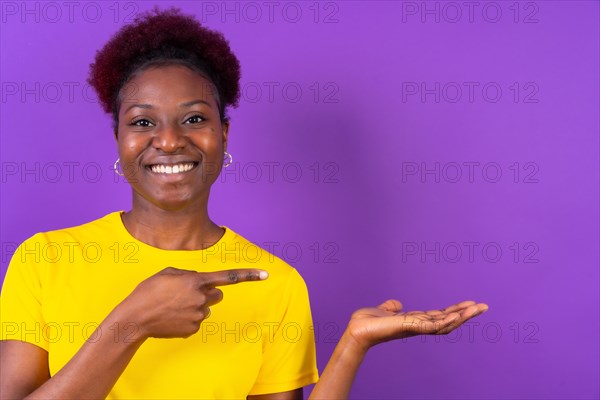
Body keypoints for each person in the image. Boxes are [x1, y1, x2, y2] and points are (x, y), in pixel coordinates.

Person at [0, 8, 488, 399]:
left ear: (223, 135)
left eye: (194, 119)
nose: (168, 141)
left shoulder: (275, 283)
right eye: (143, 123)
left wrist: (352, 347)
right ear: (118, 140)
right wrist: (132, 322)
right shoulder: (44, 260)